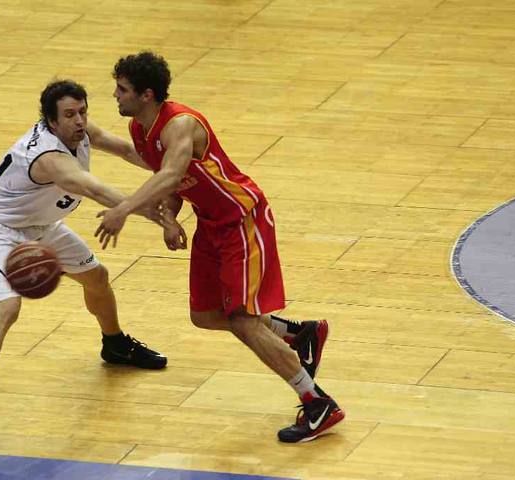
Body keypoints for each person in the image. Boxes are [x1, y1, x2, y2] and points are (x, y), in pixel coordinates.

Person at [95, 52, 344, 443]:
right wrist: (170, 217)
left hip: (242, 221)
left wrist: (123, 209)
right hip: (211, 225)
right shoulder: (140, 130)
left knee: (243, 320)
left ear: (146, 94)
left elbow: (175, 171)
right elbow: (173, 183)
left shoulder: (180, 124)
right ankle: (297, 335)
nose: (115, 95)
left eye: (122, 89)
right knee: (206, 314)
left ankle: (316, 402)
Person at [0, 79, 171, 458]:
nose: (80, 121)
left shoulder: (84, 131)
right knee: (6, 308)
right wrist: (158, 215)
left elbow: (126, 149)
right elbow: (99, 191)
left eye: (83, 111)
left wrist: (171, 170)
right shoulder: (48, 158)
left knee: (97, 278)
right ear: (51, 122)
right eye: (70, 115)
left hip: (42, 226)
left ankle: (115, 344)